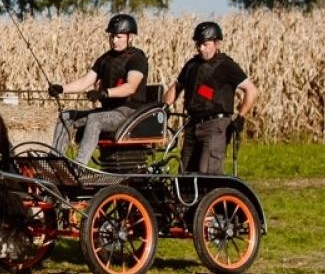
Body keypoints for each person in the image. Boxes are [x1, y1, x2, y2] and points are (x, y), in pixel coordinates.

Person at [48, 13, 150, 166]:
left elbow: (131, 87)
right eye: (112, 36)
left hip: (128, 113)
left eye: (119, 37)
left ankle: (79, 166)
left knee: (95, 120)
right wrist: (62, 88)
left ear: (130, 37)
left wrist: (104, 93)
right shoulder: (105, 59)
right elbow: (85, 82)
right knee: (66, 116)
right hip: (108, 111)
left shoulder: (137, 59)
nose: (114, 41)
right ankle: (55, 162)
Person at [164, 20, 258, 174]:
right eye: (198, 44)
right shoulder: (191, 65)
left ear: (217, 43)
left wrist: (240, 117)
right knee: (184, 173)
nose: (201, 49)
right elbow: (176, 88)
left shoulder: (226, 65)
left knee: (207, 172)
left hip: (215, 126)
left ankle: (216, 197)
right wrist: (164, 107)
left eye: (205, 44)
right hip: (192, 125)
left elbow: (252, 90)